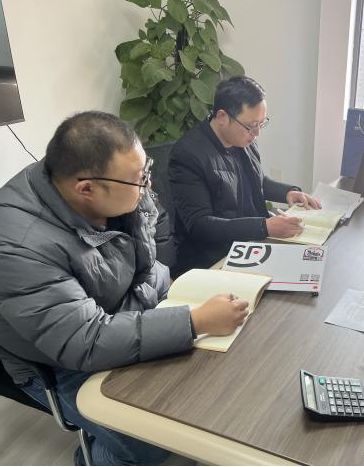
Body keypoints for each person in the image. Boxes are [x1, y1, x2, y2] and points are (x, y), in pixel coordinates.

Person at [0, 112, 250, 466]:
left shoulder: (122, 186)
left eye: (146, 171)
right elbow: (83, 341)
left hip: (119, 315)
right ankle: (92, 457)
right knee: (149, 443)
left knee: (202, 389)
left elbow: (156, 245)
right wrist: (193, 321)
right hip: (55, 361)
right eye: (139, 180)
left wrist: (171, 292)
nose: (148, 185)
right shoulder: (18, 244)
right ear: (86, 189)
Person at [169, 76, 321, 277]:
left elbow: (257, 181)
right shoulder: (188, 154)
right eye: (251, 126)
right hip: (211, 259)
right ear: (222, 117)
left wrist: (288, 193)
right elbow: (200, 225)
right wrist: (264, 227)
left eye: (261, 124)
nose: (256, 133)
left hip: (251, 245)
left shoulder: (243, 139)